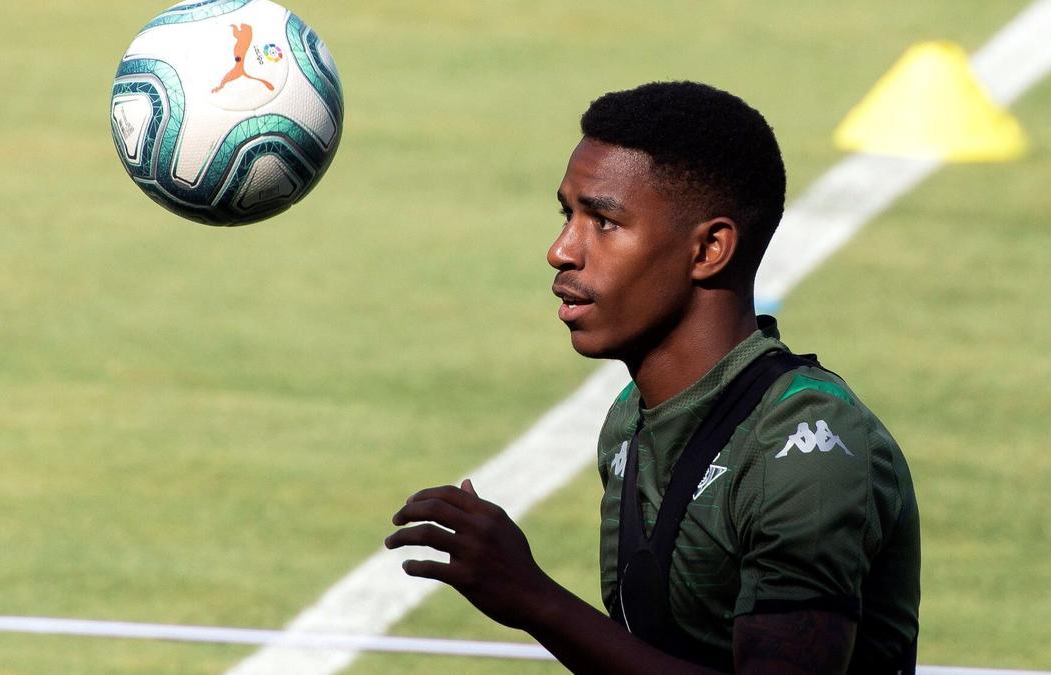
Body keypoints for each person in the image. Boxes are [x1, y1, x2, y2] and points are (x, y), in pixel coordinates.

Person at [385, 81, 920, 674]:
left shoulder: (805, 446)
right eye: (568, 215)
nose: (561, 250)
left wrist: (536, 600)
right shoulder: (628, 421)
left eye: (604, 221)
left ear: (709, 249)